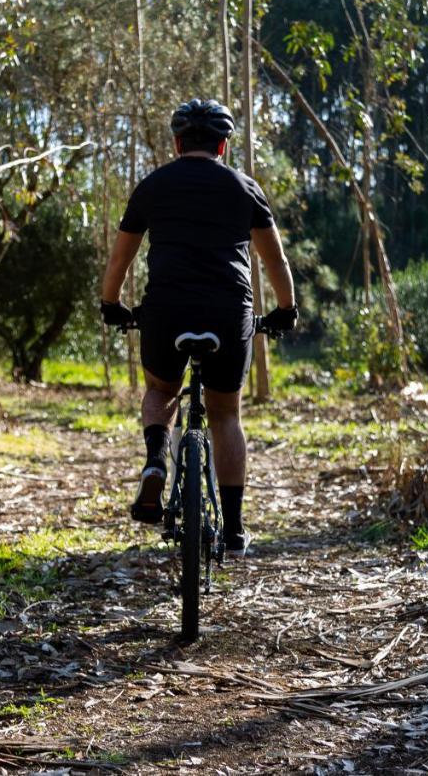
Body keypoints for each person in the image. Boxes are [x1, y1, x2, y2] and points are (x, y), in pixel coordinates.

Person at [98, 98, 298, 557]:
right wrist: (286, 310)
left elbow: (119, 259)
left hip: (165, 310)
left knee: (162, 392)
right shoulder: (245, 188)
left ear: (177, 142)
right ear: (224, 146)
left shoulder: (153, 186)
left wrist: (111, 304)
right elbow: (274, 260)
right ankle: (233, 527)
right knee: (225, 414)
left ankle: (155, 462)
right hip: (229, 313)